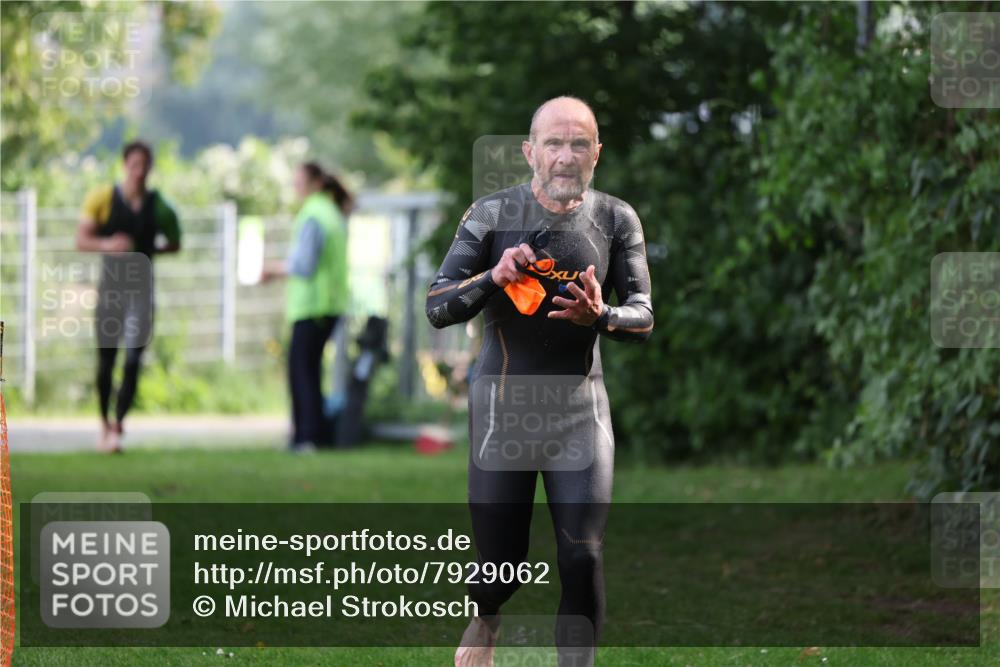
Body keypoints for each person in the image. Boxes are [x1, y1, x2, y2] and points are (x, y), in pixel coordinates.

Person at [425, 97, 653, 667]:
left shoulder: (616, 219)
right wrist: (493, 277)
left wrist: (601, 316)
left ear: (597, 153)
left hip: (581, 411)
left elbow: (644, 313)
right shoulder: (490, 214)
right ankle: (486, 615)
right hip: (505, 412)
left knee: (583, 556)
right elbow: (436, 305)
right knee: (502, 564)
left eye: (580, 143)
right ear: (531, 152)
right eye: (554, 142)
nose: (566, 155)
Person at [76, 140, 181, 453]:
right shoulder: (103, 198)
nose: (139, 171)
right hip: (110, 291)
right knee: (105, 362)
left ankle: (119, 424)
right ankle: (103, 422)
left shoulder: (160, 207)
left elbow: (175, 243)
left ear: (150, 168)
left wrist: (149, 250)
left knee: (134, 359)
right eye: (134, 164)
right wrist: (108, 245)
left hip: (142, 293)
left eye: (145, 165)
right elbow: (81, 239)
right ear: (125, 165)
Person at [262, 162, 352, 452]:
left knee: (301, 371)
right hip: (330, 304)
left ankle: (306, 436)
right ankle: (314, 435)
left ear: (315, 183)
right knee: (310, 371)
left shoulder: (313, 214)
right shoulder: (331, 213)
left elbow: (304, 264)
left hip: (313, 305)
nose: (295, 187)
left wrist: (272, 270)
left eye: (298, 181)